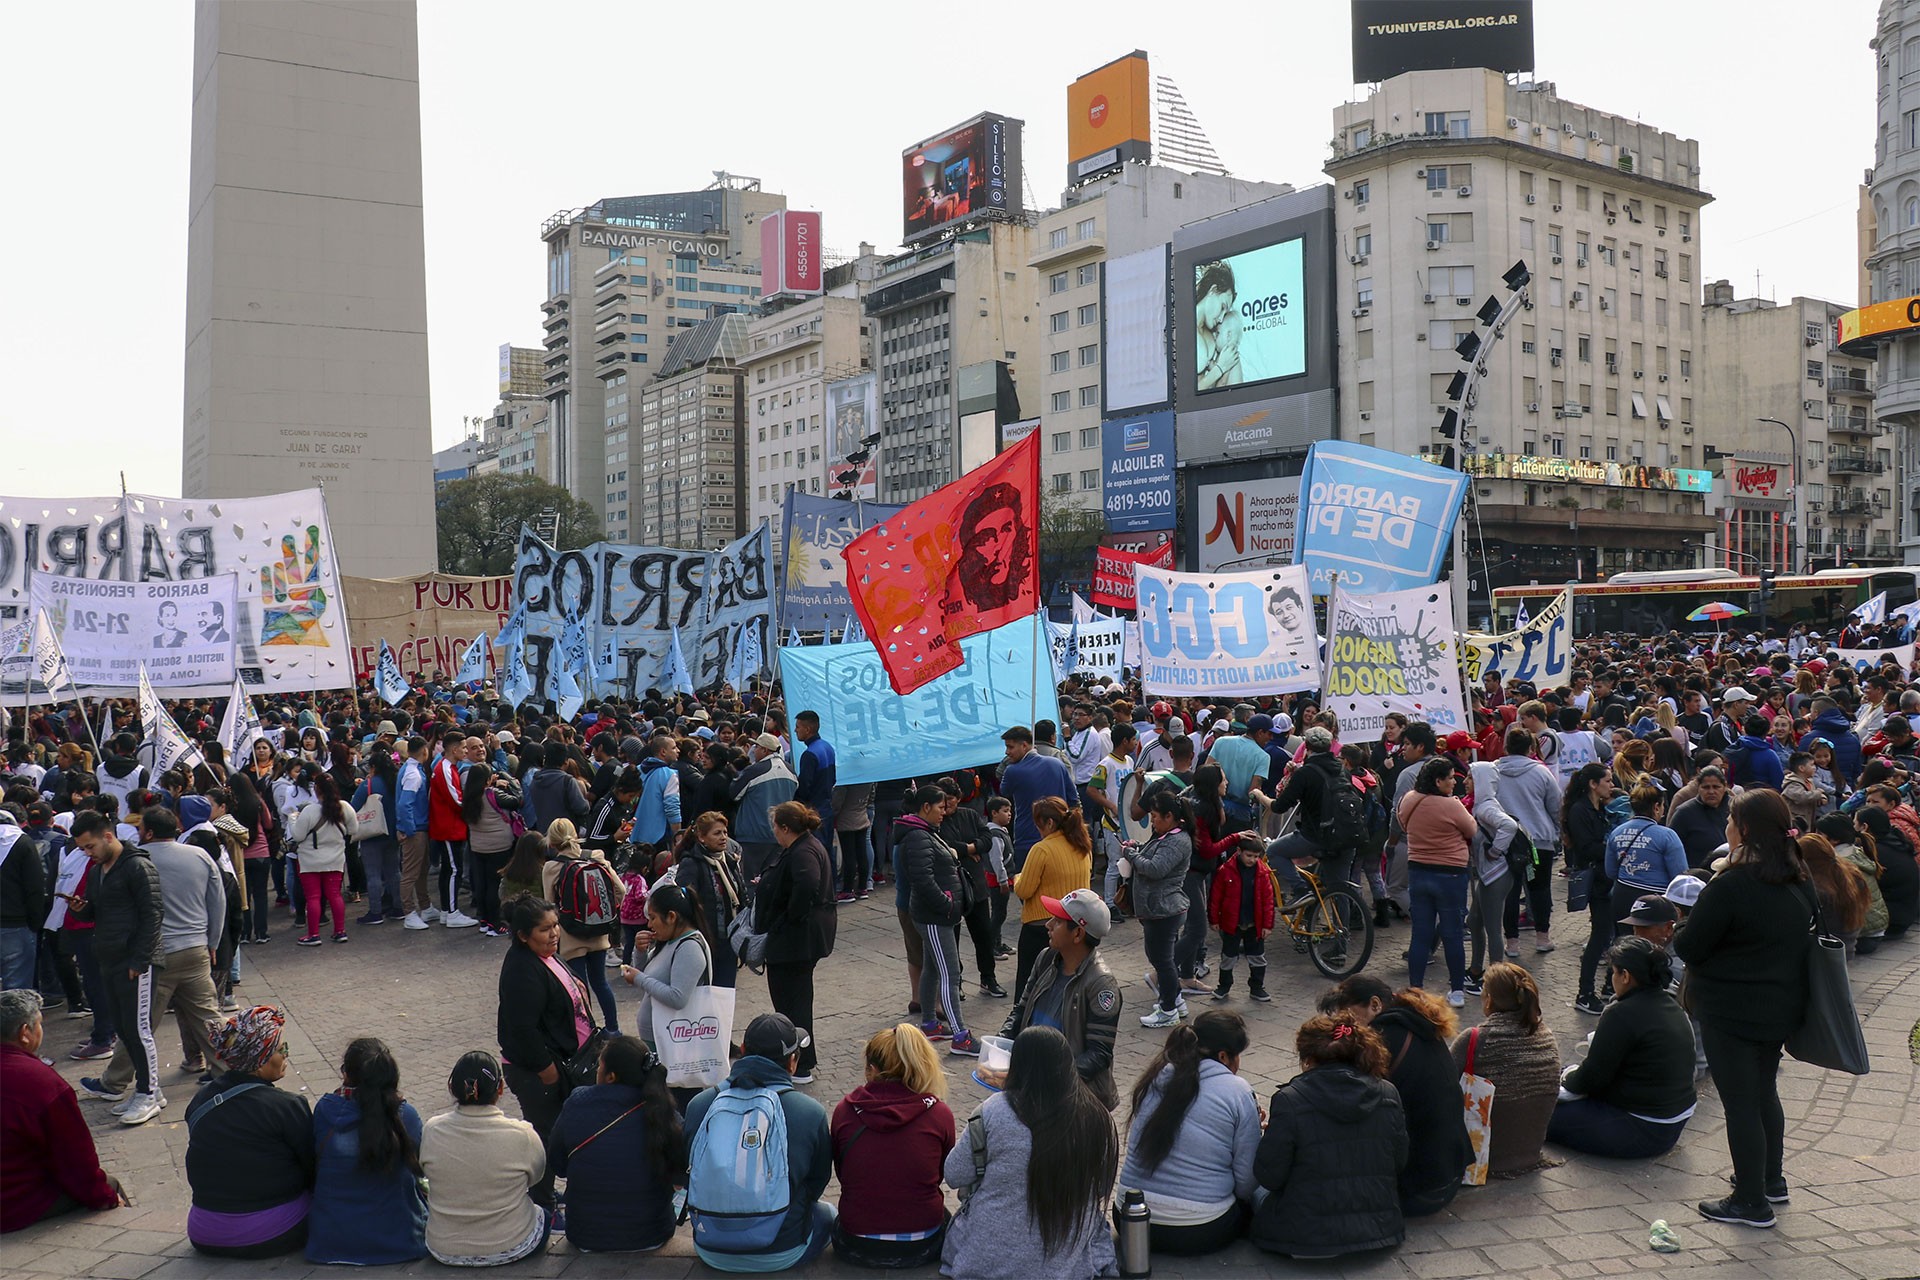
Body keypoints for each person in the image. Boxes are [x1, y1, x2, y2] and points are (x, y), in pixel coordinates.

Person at [1674, 789, 1817, 1228]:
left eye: (1732, 820)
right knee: (1763, 1093)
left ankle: (1751, 1201)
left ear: (1746, 829)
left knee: (1740, 1104)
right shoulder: (1798, 879)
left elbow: (1691, 946)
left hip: (1732, 1011)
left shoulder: (1731, 884)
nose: (1727, 827)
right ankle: (1771, 1180)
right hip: (1780, 1007)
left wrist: (1683, 925)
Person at [941, 1025, 1119, 1280]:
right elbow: (1100, 1189)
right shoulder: (1095, 1116)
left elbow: (955, 1174)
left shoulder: (991, 1111)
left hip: (985, 1263)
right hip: (1067, 1268)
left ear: (1017, 1064)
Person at [683, 1013, 836, 1272]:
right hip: (782, 1251)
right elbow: (816, 1183)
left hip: (710, 1249)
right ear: (792, 1063)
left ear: (742, 1051)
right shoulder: (809, 1112)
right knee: (827, 1213)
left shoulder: (700, 1105)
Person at [1250, 1013, 1407, 1259]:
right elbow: (1399, 1161)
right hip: (1378, 1231)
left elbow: (1269, 1176)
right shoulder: (1388, 1093)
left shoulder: (1290, 1101)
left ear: (1309, 1060)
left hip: (1304, 1237)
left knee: (1253, 1192)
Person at [1318, 976, 1472, 1217]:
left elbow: (1354, 1106)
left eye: (1349, 1016)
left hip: (1417, 1189)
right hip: (1449, 1175)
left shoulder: (1383, 1037)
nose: (1347, 1026)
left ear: (1375, 1005)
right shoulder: (1418, 1022)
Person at [1119, 1011, 1261, 1253]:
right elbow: (1246, 1184)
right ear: (1224, 1056)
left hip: (1129, 1220)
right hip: (1198, 1229)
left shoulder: (1156, 1075)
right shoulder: (1237, 1091)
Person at [1546, 937, 1698, 1158]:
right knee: (1561, 1076)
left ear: (1625, 976)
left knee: (1535, 1113)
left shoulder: (1621, 1013)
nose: (1612, 978)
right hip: (1671, 1119)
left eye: (1614, 972)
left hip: (1642, 1129)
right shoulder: (1670, 1002)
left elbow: (1590, 1079)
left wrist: (1565, 1080)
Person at [184, 1005, 316, 1258]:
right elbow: (313, 1169)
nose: (286, 1055)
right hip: (267, 1235)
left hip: (203, 1233)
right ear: (259, 1059)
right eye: (281, 1049)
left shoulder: (202, 1100)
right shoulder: (287, 1106)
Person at [0, 988, 129, 1232]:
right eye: (39, 1024)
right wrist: (105, 1197)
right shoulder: (41, 1084)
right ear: (24, 1033)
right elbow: (76, 1163)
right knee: (108, 1186)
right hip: (15, 1204)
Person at [65, 811, 165, 1125]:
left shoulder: (137, 866)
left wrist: (140, 960)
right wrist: (81, 910)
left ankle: (149, 1093)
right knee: (124, 1030)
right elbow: (99, 911)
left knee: (139, 1031)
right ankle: (147, 1091)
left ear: (108, 836)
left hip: (135, 962)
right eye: (83, 848)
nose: (87, 853)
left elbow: (153, 915)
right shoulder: (98, 871)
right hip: (110, 958)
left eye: (90, 846)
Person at [830, 1023, 957, 1268]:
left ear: (872, 1070)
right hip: (922, 1240)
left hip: (856, 1239)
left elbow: (842, 1171)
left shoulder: (844, 1112)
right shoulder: (940, 1113)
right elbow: (941, 1173)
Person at [547, 1034, 682, 1253]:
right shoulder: (663, 1111)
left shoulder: (577, 1103)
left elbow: (558, 1163)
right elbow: (679, 1171)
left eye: (599, 1066)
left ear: (610, 1077)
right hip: (652, 1234)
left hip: (586, 1236)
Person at [493, 893, 586, 1207]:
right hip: (536, 1069)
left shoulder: (546, 954)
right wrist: (547, 1071)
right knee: (544, 1136)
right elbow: (522, 1029)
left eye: (556, 925)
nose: (555, 933)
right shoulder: (521, 969)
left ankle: (549, 1194)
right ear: (522, 935)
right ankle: (542, 1203)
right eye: (546, 929)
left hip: (563, 1061)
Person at [419, 1051, 549, 1267]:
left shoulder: (432, 1130)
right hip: (511, 1245)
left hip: (443, 1249)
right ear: (500, 1089)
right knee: (543, 1214)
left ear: (452, 1088)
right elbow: (536, 1177)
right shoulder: (522, 1135)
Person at [306, 1037, 427, 1265]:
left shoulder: (325, 1111)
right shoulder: (405, 1115)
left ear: (346, 1075)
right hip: (402, 1241)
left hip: (331, 1242)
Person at [1450, 963, 1561, 1176]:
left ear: (1489, 1000)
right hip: (1529, 1152)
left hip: (1483, 1157)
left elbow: (1442, 1085)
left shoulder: (1474, 1039)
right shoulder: (1546, 1035)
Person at [756, 802, 839, 1078]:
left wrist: (788, 917)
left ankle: (801, 1062)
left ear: (784, 828)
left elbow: (807, 885)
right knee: (795, 1000)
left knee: (794, 1003)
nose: (774, 834)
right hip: (798, 939)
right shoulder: (804, 847)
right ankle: (800, 1058)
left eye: (775, 828)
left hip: (796, 941)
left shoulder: (804, 851)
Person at [617, 882, 714, 1107]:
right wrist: (640, 953)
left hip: (676, 1043)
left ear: (671, 916)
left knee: (677, 1105)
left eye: (652, 918)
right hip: (661, 1039)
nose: (649, 924)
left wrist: (638, 977)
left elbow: (677, 997)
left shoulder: (689, 947)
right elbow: (651, 977)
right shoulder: (671, 941)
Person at [899, 784, 977, 1054]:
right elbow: (922, 879)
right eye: (941, 808)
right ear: (925, 807)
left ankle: (930, 1024)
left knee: (932, 967)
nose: (944, 812)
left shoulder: (925, 832)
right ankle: (961, 1036)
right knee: (950, 973)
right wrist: (946, 903)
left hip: (936, 914)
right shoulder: (918, 836)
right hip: (934, 916)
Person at [1399, 756, 1477, 1005]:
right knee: (1452, 933)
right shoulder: (1452, 806)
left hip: (1418, 872)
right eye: (1451, 778)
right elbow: (1471, 830)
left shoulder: (1409, 800)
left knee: (1420, 935)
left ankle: (1416, 990)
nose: (1455, 782)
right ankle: (1456, 991)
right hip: (1451, 875)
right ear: (1438, 780)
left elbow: (1402, 824)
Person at [540, 818, 625, 1032]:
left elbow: (549, 904)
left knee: (579, 987)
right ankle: (613, 1028)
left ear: (552, 841)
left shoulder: (552, 867)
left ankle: (587, 1032)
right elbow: (621, 891)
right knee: (601, 983)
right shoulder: (596, 858)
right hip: (598, 932)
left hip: (571, 935)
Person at [1008, 795, 1091, 1009]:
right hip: (1076, 926)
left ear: (1049, 823)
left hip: (1042, 926)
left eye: (1039, 825)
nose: (1038, 830)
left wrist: (1017, 878)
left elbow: (1024, 890)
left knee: (1029, 987)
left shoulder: (1042, 849)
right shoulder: (1083, 845)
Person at [1130, 789, 1195, 1028]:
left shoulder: (1176, 840)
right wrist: (1137, 848)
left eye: (1155, 816)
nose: (1153, 821)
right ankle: (1174, 999)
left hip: (1164, 910)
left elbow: (1156, 868)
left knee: (1163, 961)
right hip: (1157, 909)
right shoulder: (1167, 835)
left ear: (1169, 817)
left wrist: (1131, 855)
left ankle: (1168, 1010)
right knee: (1159, 958)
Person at [1562, 762, 1619, 1017]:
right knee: (1600, 935)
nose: (1612, 785)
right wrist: (1616, 848)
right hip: (1597, 881)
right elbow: (1586, 848)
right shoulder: (1580, 811)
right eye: (1607, 780)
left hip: (1606, 878)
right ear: (1593, 785)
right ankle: (1585, 992)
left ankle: (1609, 984)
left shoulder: (1599, 808)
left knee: (1611, 932)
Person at [1605, 783, 1691, 931]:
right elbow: (1680, 876)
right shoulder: (1667, 836)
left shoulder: (1617, 832)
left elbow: (1611, 871)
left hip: (1622, 896)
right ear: (1656, 807)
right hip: (1655, 902)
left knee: (1625, 944)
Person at [676, 811, 746, 990]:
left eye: (725, 832)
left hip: (730, 941)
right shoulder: (692, 863)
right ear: (701, 837)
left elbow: (740, 894)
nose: (723, 837)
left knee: (725, 995)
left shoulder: (728, 861)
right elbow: (683, 902)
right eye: (717, 833)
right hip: (705, 941)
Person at [1207, 832, 1278, 1002]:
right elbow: (1215, 896)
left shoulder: (1263, 873)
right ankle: (1224, 986)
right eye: (1249, 855)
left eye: (1256, 856)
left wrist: (1267, 925)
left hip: (1255, 923)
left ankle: (1257, 987)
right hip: (1232, 922)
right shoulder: (1225, 871)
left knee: (1257, 957)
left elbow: (1269, 901)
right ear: (1239, 851)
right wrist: (1214, 919)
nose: (1252, 860)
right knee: (1228, 957)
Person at [287, 773, 352, 945]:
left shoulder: (309, 811)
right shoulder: (344, 807)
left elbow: (298, 835)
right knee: (335, 895)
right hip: (335, 859)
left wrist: (292, 820)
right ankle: (340, 931)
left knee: (313, 897)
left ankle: (313, 935)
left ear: (316, 790)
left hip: (310, 861)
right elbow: (354, 829)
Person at [462, 764, 523, 937]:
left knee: (481, 884)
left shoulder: (468, 796)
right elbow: (517, 801)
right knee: (494, 885)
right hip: (498, 846)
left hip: (477, 845)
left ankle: (485, 921)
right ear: (487, 779)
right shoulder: (492, 794)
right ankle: (496, 923)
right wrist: (511, 785)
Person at [1855, 806, 1917, 938]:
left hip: (1890, 921)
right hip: (1903, 916)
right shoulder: (1896, 843)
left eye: (1854, 823)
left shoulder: (1875, 851)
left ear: (1864, 827)